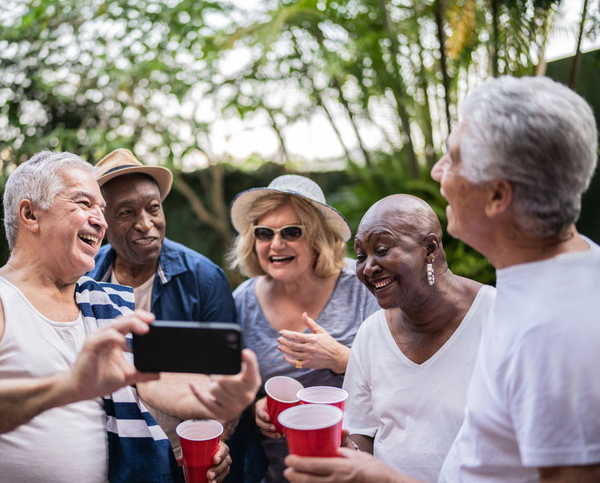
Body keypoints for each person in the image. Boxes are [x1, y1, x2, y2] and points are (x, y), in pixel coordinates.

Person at [284, 76, 600, 482]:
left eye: (452, 158)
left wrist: (377, 478)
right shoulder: (556, 284)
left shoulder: (554, 325)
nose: (436, 171)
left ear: (497, 196)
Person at [0, 151, 258, 483]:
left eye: (102, 209)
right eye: (83, 203)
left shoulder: (107, 303)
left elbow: (152, 380)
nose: (100, 220)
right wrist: (68, 386)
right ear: (29, 215)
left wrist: (218, 398)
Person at [84, 148, 242, 465]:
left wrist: (213, 448)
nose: (146, 224)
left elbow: (227, 380)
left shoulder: (204, 279)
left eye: (153, 208)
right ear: (102, 221)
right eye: (127, 213)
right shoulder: (86, 278)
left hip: (183, 454)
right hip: (110, 456)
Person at [229, 174, 380, 482]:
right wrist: (255, 405)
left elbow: (404, 376)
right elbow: (233, 383)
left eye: (291, 232)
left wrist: (340, 359)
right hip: (279, 473)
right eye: (264, 233)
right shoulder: (241, 302)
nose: (276, 244)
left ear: (318, 238)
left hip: (357, 470)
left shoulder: (363, 287)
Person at [344, 193, 495, 481]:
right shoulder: (371, 333)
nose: (368, 267)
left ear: (430, 248)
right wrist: (349, 454)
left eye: (383, 249)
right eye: (361, 256)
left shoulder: (498, 317)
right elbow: (361, 430)